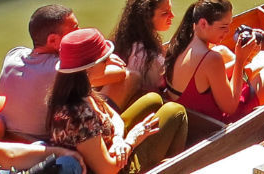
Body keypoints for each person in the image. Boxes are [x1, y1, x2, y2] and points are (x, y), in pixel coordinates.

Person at [47, 28, 187, 174]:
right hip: (117, 169)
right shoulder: (80, 115)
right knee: (175, 111)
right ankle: (174, 168)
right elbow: (107, 170)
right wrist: (132, 140)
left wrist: (119, 140)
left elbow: (114, 116)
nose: (108, 62)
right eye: (105, 59)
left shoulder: (79, 90)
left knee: (153, 99)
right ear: (89, 68)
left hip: (112, 146)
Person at [163, 0, 264, 122]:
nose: (227, 32)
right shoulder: (211, 59)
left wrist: (244, 58)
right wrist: (240, 60)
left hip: (196, 116)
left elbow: (206, 77)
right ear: (203, 24)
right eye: (223, 27)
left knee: (223, 52)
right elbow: (230, 107)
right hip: (218, 123)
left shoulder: (182, 42)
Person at [0, 5, 80, 143]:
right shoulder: (59, 68)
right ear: (53, 40)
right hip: (38, 143)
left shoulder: (13, 55)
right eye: (75, 29)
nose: (80, 32)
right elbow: (117, 74)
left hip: (7, 133)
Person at [110, 0, 174, 111]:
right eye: (165, 13)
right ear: (146, 19)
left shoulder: (124, 40)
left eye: (170, 10)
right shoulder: (146, 56)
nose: (172, 16)